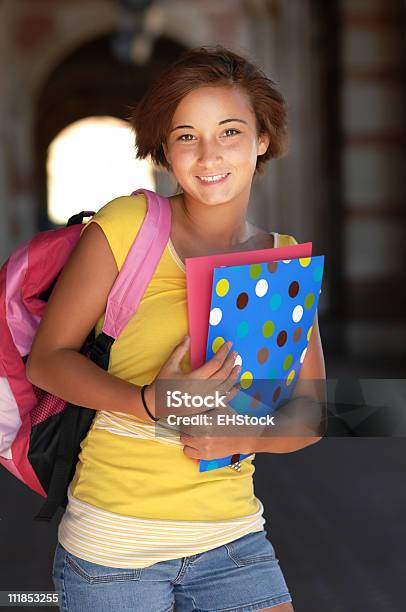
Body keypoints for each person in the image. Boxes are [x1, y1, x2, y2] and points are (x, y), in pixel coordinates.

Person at [27, 45, 325, 612]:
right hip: (113, 549)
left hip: (233, 538)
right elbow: (49, 360)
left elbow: (309, 414)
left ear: (263, 139)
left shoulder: (284, 260)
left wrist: (241, 437)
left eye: (230, 132)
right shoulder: (128, 225)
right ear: (164, 148)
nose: (209, 155)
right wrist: (150, 401)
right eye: (187, 135)